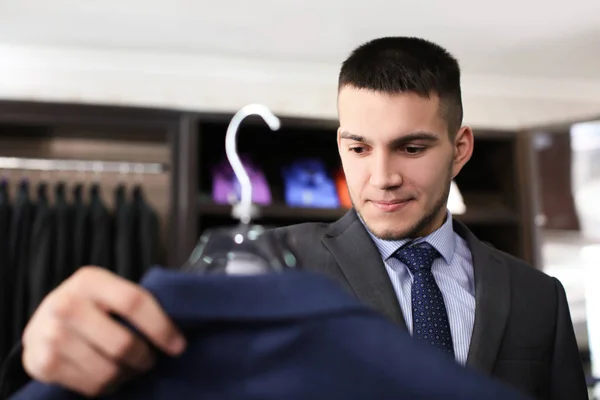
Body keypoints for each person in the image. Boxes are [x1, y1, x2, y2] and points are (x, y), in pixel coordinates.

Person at [0, 37, 588, 400]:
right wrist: (39, 355)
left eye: (411, 149)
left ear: (459, 149)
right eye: (359, 149)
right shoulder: (260, 267)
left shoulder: (539, 297)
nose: (381, 176)